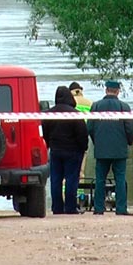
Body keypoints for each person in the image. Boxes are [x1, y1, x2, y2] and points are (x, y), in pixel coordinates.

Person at [87, 80, 133, 215]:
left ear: (106, 90)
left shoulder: (96, 106)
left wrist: (97, 141)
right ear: (118, 91)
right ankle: (121, 209)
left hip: (101, 149)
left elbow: (90, 127)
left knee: (100, 179)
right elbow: (131, 127)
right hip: (119, 149)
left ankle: (98, 208)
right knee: (120, 179)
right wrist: (128, 142)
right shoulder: (124, 107)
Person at [41, 85, 88, 215]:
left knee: (55, 180)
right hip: (73, 151)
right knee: (71, 180)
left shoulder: (49, 114)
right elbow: (82, 134)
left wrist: (50, 145)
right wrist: (83, 148)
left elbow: (44, 133)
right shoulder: (75, 114)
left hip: (55, 151)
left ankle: (57, 207)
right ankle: (70, 207)